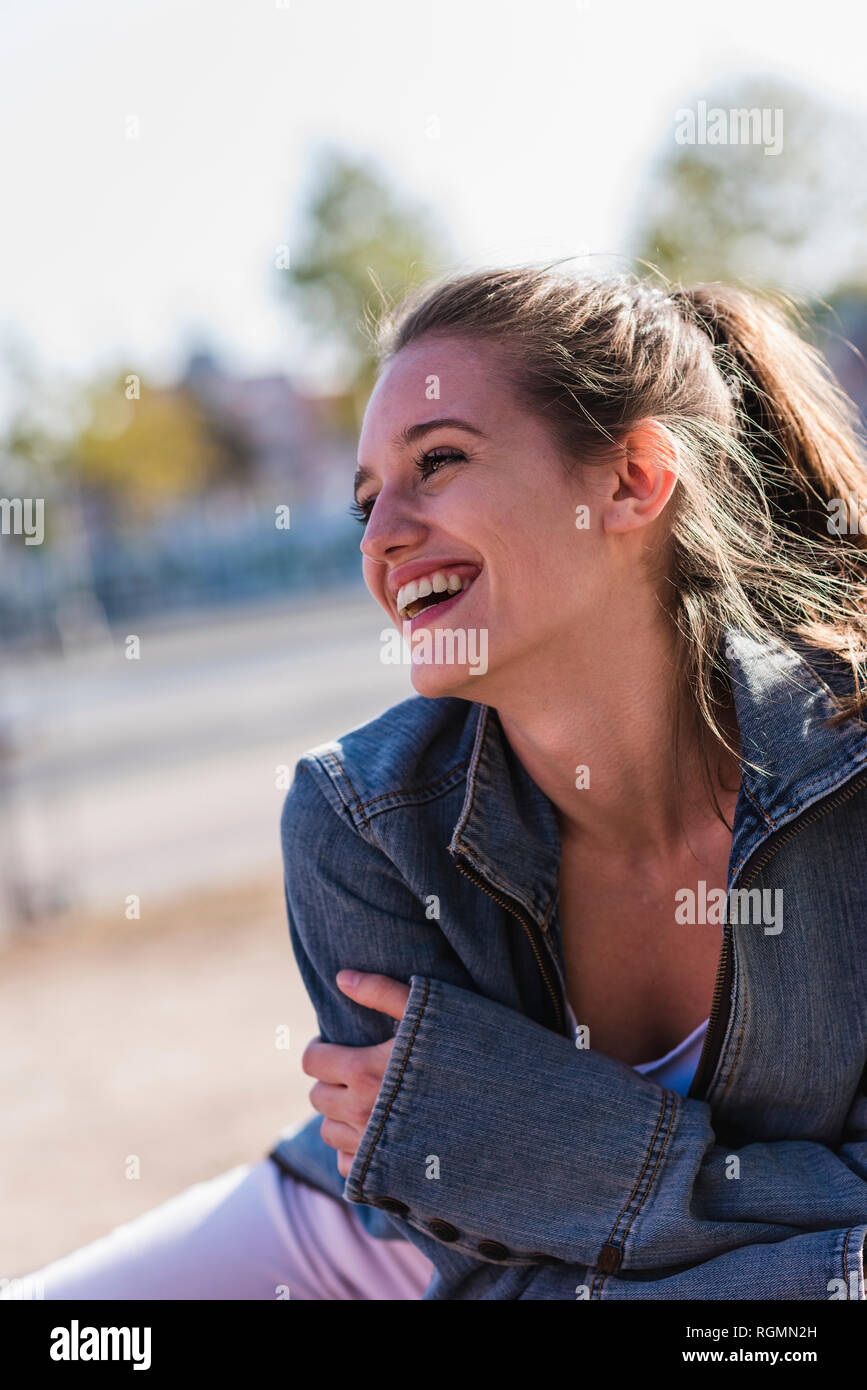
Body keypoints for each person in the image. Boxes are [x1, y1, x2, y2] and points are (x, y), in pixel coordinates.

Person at [5, 264, 867, 1301]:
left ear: (633, 478)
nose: (380, 537)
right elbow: (485, 1285)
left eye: (439, 461)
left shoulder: (849, 776)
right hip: (361, 1246)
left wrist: (529, 1136)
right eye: (365, 500)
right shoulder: (359, 820)